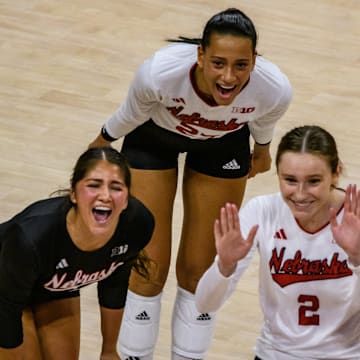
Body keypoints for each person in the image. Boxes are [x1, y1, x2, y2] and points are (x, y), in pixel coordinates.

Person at [88, 7, 292, 360]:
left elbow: (261, 117)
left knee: (200, 270)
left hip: (223, 145)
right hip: (153, 140)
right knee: (148, 266)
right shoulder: (159, 74)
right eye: (218, 63)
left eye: (241, 65)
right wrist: (101, 144)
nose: (229, 77)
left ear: (255, 60)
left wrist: (262, 151)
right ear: (200, 55)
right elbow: (130, 115)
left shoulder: (274, 89)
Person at [195, 125, 360, 359]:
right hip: (275, 353)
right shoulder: (262, 212)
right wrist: (224, 266)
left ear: (336, 173)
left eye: (313, 181)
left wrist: (357, 258)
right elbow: (204, 305)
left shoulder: (357, 215)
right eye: (290, 180)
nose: (300, 194)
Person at [0, 147, 155, 360]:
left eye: (116, 187)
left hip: (52, 288)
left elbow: (115, 284)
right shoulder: (31, 237)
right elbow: (6, 313)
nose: (106, 196)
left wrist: (109, 351)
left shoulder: (137, 225)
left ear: (127, 198)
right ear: (73, 193)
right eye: (94, 185)